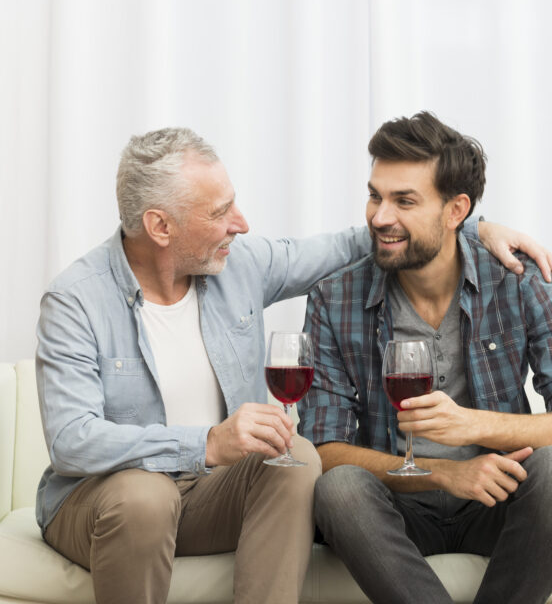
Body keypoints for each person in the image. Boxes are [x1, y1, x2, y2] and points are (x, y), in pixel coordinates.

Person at [36, 126, 550, 604]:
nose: (241, 224)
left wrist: (472, 225)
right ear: (160, 225)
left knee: (295, 456)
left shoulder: (239, 266)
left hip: (219, 490)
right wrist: (208, 443)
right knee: (162, 496)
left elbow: (367, 238)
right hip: (116, 493)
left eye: (405, 200)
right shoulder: (76, 301)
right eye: (221, 212)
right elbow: (71, 441)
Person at [300, 112, 552, 604]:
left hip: (497, 499)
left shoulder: (519, 283)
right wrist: (444, 473)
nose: (379, 216)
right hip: (397, 506)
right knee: (340, 490)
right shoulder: (336, 298)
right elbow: (324, 451)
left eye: (404, 200)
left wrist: (473, 427)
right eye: (375, 195)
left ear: (457, 209)